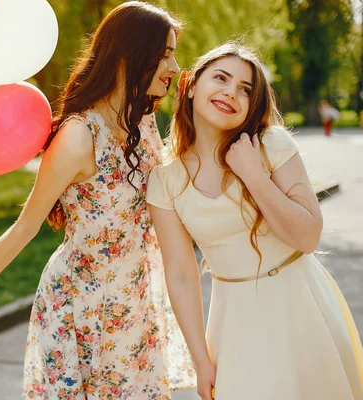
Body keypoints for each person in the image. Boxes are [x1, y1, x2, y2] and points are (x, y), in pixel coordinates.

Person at [0, 2, 197, 398]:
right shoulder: (79, 137)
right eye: (165, 54)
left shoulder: (141, 121)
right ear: (128, 55)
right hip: (82, 308)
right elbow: (25, 226)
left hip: (134, 303)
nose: (175, 66)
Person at [147, 42, 363, 400]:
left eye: (245, 90)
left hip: (302, 305)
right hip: (234, 322)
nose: (231, 93)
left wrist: (254, 175)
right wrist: (200, 361)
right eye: (221, 78)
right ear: (189, 85)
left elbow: (308, 237)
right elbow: (182, 276)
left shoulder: (271, 145)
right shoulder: (165, 180)